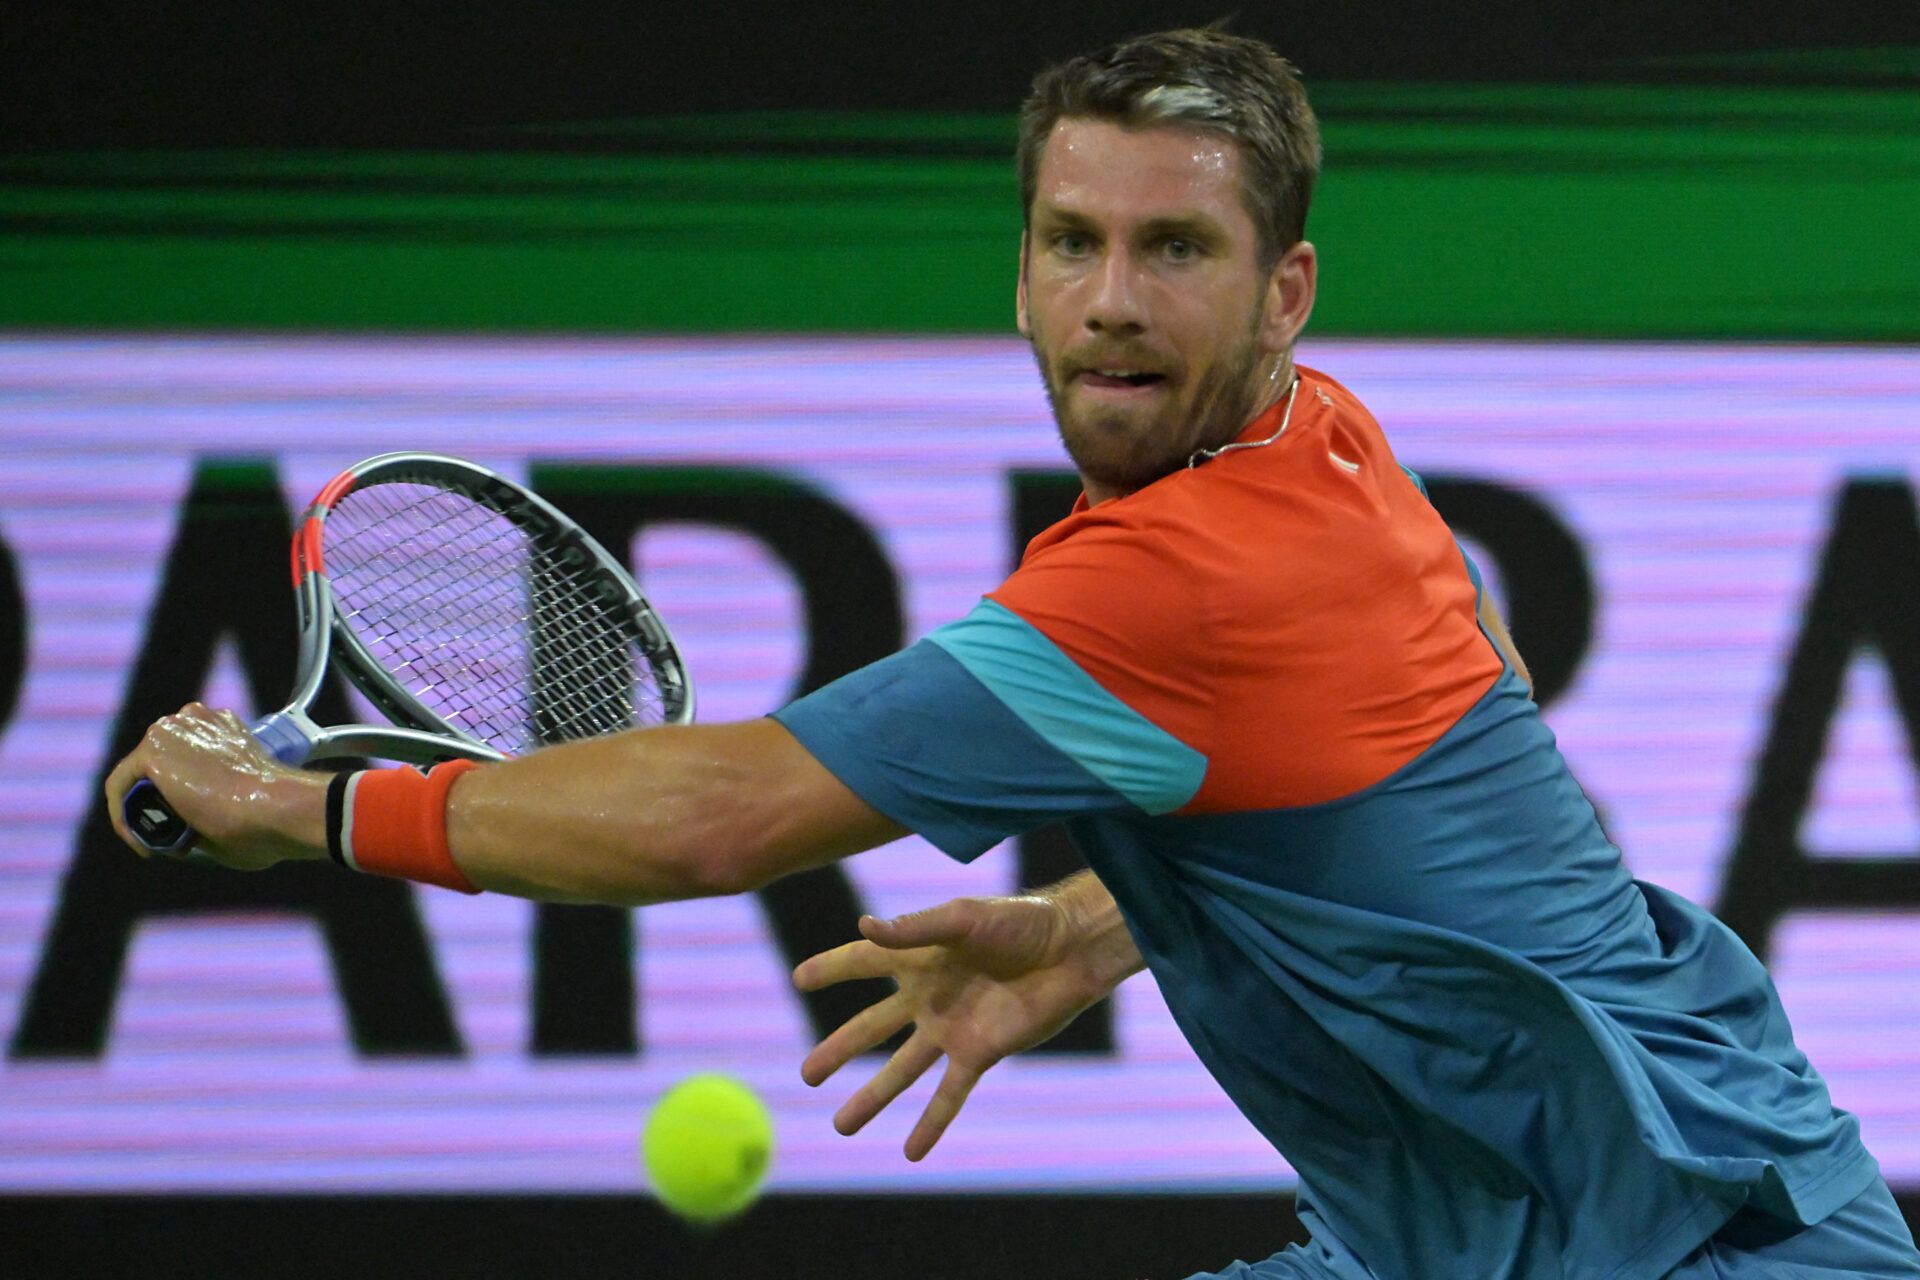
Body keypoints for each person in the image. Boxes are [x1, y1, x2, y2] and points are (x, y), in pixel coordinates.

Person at [106, 27, 1918, 1280]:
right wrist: (1104, 923)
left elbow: (716, 820)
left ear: (1286, 290)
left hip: (1706, 1245)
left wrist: (320, 820)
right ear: (1024, 263)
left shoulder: (1173, 577)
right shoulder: (1321, 442)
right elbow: (1472, 682)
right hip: (1480, 1231)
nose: (1111, 299)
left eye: (1175, 249)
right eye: (1072, 240)